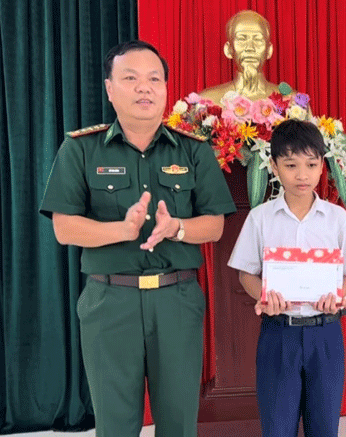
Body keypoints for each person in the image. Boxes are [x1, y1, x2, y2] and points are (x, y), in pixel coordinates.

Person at [39, 40, 236, 437]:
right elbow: (64, 228)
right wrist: (121, 231)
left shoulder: (195, 151)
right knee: (115, 425)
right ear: (111, 89)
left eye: (154, 79)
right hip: (110, 302)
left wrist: (176, 228)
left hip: (176, 301)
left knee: (179, 423)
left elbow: (215, 224)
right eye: (131, 79)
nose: (144, 88)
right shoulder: (80, 149)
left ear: (166, 88)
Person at [227, 119, 346, 437]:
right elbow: (245, 273)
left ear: (323, 167)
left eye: (311, 164)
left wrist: (337, 291)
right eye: (291, 165)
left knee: (324, 427)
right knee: (278, 427)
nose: (302, 175)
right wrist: (264, 295)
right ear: (275, 166)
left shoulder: (337, 219)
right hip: (279, 334)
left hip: (326, 333)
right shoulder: (260, 218)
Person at [200, 10, 281, 103]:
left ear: (269, 50)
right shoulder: (206, 102)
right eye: (241, 39)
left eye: (258, 40)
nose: (250, 48)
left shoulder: (292, 102)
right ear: (228, 49)